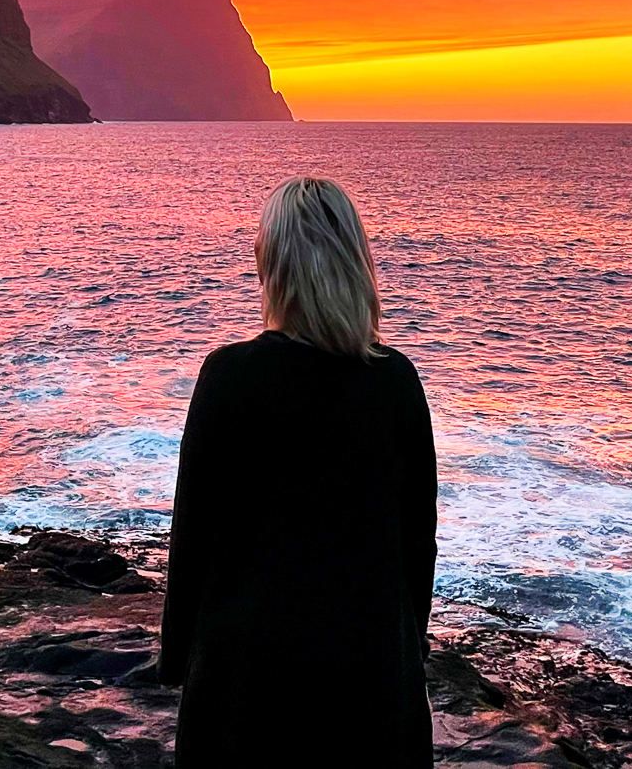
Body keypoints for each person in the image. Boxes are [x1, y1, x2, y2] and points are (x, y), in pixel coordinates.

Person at [158, 176, 438, 768]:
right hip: (370, 682)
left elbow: (194, 536)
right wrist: (410, 652)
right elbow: (417, 542)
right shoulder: (395, 381)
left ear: (274, 266)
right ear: (354, 262)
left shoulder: (230, 377)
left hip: (245, 681)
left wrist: (178, 657)